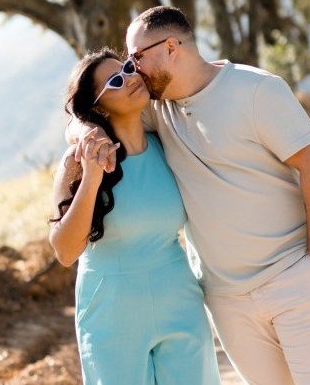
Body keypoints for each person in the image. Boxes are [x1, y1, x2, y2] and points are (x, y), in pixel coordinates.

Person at [72, 6, 310, 384]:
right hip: (226, 300)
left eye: (137, 58)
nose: (133, 70)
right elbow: (93, 111)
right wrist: (85, 131)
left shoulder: (257, 90)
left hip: (294, 279)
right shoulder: (156, 110)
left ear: (171, 47)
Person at [49, 48, 222, 385]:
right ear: (99, 107)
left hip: (179, 300)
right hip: (112, 311)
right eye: (115, 81)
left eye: (128, 68)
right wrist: (92, 176)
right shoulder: (76, 162)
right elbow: (66, 251)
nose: (129, 78)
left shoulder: (169, 144)